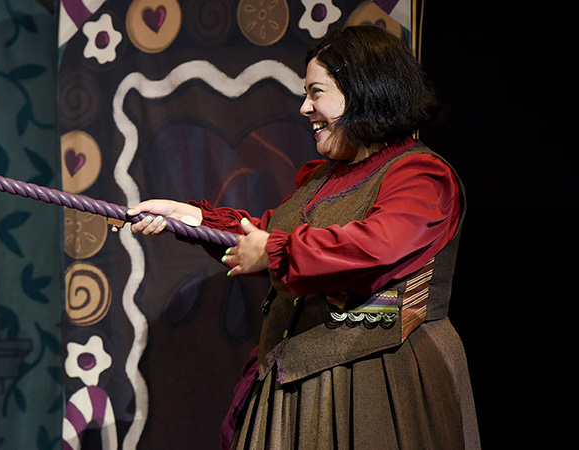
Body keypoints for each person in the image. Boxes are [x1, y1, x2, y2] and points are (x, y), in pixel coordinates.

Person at [127, 25, 480, 450]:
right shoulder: (323, 180)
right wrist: (192, 217)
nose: (304, 108)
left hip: (377, 381)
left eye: (316, 93)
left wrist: (274, 251)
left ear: (364, 91)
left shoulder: (420, 176)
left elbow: (373, 247)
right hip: (303, 383)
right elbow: (265, 232)